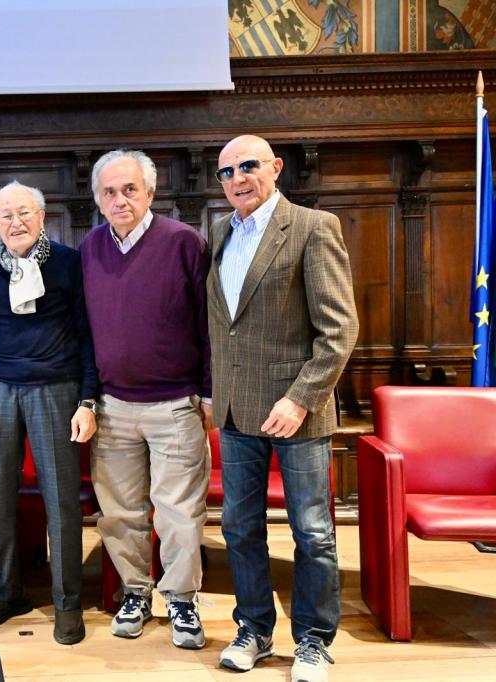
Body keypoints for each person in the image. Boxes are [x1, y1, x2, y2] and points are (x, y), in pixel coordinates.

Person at [207, 135, 358, 682]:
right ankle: (254, 628)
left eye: (248, 166)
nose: (237, 179)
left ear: (274, 167)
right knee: (239, 528)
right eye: (226, 172)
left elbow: (339, 330)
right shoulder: (220, 231)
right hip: (235, 409)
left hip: (298, 411)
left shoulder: (314, 227)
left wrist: (300, 399)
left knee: (312, 532)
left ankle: (314, 641)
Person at [0, 181, 98, 645]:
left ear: (41, 217)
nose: (15, 222)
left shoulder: (69, 262)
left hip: (56, 389)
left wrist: (87, 399)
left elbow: (88, 335)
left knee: (61, 502)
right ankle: (6, 591)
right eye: (5, 215)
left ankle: (67, 603)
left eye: (23, 213)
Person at [80, 149, 212, 646]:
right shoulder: (90, 247)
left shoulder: (184, 242)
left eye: (130, 189)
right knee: (120, 513)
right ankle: (135, 591)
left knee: (178, 513)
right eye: (109, 192)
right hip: (112, 407)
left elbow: (210, 323)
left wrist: (208, 392)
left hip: (174, 403)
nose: (120, 200)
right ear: (98, 199)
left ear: (150, 192)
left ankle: (182, 599)